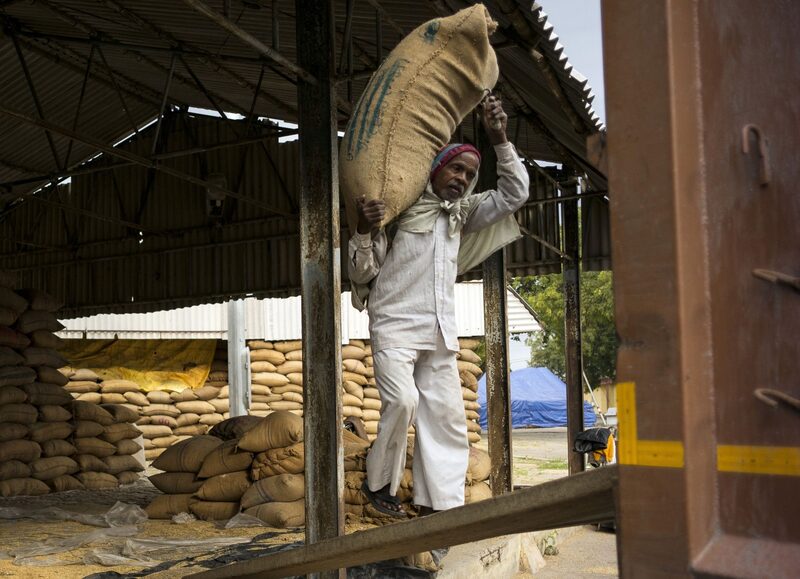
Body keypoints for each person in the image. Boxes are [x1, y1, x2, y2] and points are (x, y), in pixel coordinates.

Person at [347, 95, 529, 517]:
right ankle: (380, 488)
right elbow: (360, 272)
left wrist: (499, 136)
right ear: (435, 170)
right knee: (404, 402)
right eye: (456, 168)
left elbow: (515, 191)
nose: (463, 178)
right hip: (394, 326)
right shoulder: (400, 207)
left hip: (440, 334)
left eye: (469, 173)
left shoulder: (463, 213)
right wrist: (362, 226)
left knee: (446, 421)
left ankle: (438, 508)